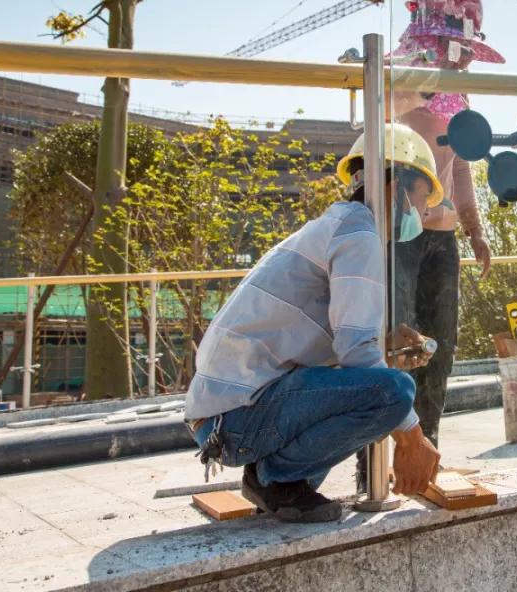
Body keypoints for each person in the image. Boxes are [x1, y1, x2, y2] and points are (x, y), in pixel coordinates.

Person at [184, 123, 444, 522]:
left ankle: (281, 483)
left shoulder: (339, 225)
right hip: (236, 418)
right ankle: (276, 478)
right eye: (422, 199)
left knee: (383, 387)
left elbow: (338, 341)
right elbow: (356, 352)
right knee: (395, 392)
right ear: (395, 189)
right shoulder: (359, 233)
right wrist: (413, 437)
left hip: (227, 414)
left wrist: (385, 345)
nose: (423, 214)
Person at [387, 0, 500, 447]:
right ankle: (380, 458)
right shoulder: (398, 77)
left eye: (469, 49)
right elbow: (381, 117)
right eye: (463, 47)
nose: (468, 57)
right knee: (396, 342)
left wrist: (475, 230)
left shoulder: (461, 95)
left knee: (441, 345)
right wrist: (427, 80)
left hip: (443, 236)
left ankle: (427, 445)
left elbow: (462, 166)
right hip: (400, 234)